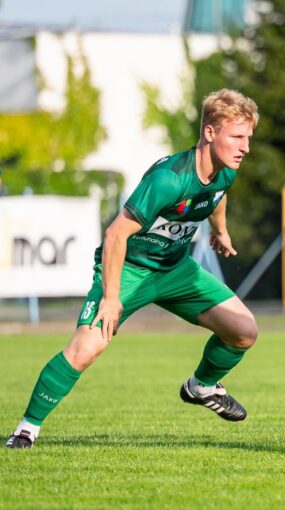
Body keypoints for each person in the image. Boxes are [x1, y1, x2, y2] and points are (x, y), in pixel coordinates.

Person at [6, 89, 260, 449]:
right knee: (86, 349)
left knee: (244, 331)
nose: (245, 147)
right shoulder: (169, 179)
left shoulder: (226, 172)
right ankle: (26, 429)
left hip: (175, 270)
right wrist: (111, 298)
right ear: (209, 132)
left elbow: (218, 196)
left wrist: (220, 230)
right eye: (237, 137)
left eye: (248, 138)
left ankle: (201, 386)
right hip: (128, 269)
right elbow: (115, 234)